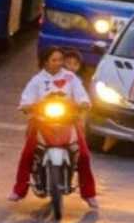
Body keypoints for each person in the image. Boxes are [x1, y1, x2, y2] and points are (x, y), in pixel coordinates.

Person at [9, 47, 99, 208]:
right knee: (28, 154)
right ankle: (19, 190)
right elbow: (25, 101)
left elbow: (82, 96)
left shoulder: (70, 78)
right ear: (45, 62)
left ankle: (89, 194)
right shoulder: (36, 80)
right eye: (54, 60)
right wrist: (28, 106)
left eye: (60, 60)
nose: (58, 63)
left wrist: (83, 103)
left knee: (84, 155)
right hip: (42, 123)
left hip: (69, 121)